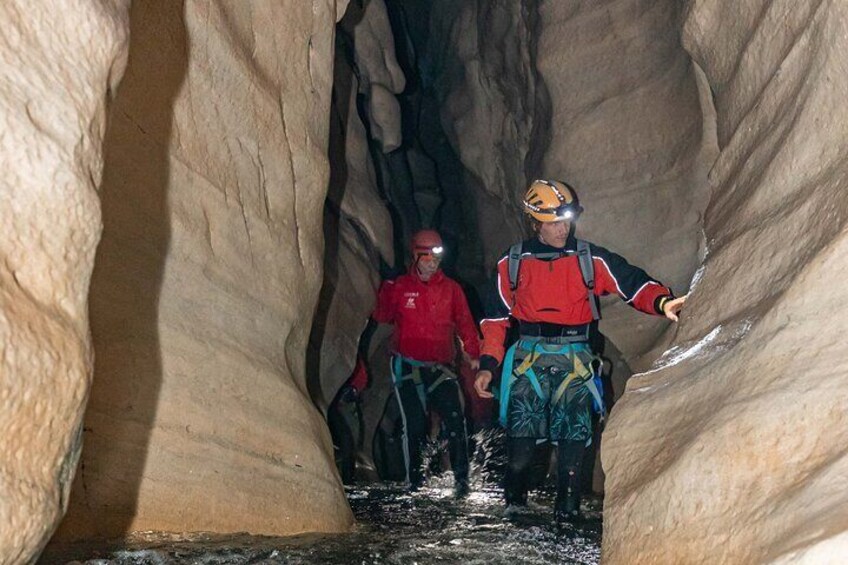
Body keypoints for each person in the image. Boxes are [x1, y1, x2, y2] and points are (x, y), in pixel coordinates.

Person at [473, 179, 686, 523]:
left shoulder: (590, 259)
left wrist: (661, 302)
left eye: (566, 220)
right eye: (553, 222)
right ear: (535, 222)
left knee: (573, 452)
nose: (562, 228)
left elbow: (631, 283)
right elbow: (495, 321)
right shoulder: (511, 263)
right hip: (529, 360)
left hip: (575, 360)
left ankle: (567, 521)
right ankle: (514, 513)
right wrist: (488, 365)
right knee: (520, 454)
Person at [373, 229, 481, 497]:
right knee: (416, 425)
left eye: (436, 258)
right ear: (416, 257)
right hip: (408, 366)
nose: (433, 264)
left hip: (440, 367)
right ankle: (415, 485)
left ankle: (462, 484)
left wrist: (474, 353)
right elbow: (382, 315)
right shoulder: (400, 287)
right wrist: (386, 289)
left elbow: (466, 323)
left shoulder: (451, 290)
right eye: (428, 258)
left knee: (456, 421)